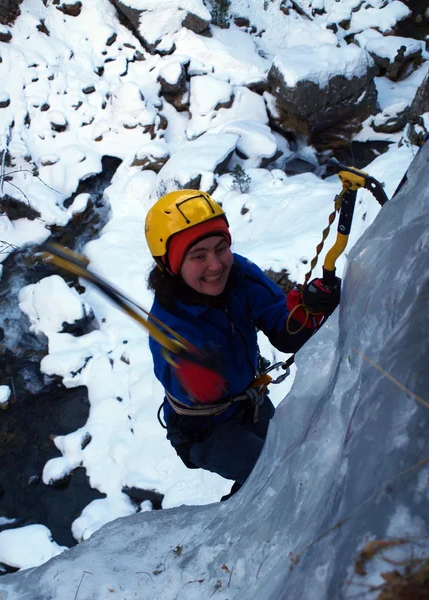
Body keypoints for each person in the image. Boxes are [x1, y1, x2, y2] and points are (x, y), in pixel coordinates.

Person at [145, 190, 340, 500]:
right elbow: (189, 390)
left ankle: (249, 496)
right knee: (276, 473)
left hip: (252, 402)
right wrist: (199, 374)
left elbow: (284, 332)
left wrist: (309, 310)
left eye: (221, 248)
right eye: (198, 256)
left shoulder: (240, 276)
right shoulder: (170, 325)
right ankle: (241, 514)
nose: (215, 265)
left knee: (292, 450)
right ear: (171, 264)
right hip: (207, 431)